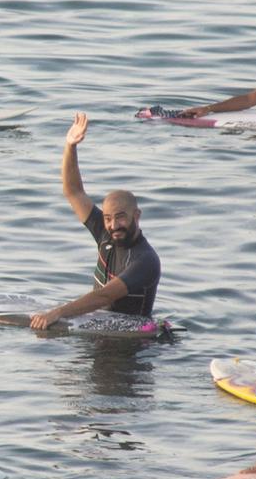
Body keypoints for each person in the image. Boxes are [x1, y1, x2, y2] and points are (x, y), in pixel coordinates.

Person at [29, 113, 160, 330]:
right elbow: (74, 192)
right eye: (108, 218)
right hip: (97, 326)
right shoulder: (106, 233)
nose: (113, 225)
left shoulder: (146, 260)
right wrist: (70, 146)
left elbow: (105, 296)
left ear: (136, 216)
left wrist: (58, 312)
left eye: (121, 217)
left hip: (130, 345)